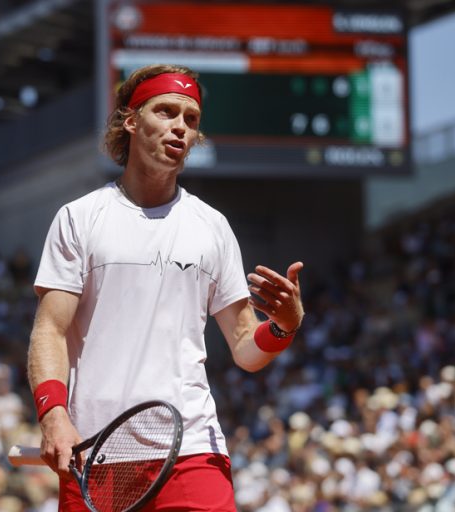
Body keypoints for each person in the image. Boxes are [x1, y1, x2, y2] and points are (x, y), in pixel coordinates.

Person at [27, 63, 305, 511]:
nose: (180, 127)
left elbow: (244, 347)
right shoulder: (79, 218)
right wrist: (53, 414)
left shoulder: (212, 227)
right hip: (94, 451)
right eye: (166, 112)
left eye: (191, 120)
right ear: (132, 121)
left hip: (192, 450)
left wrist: (284, 328)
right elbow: (49, 331)